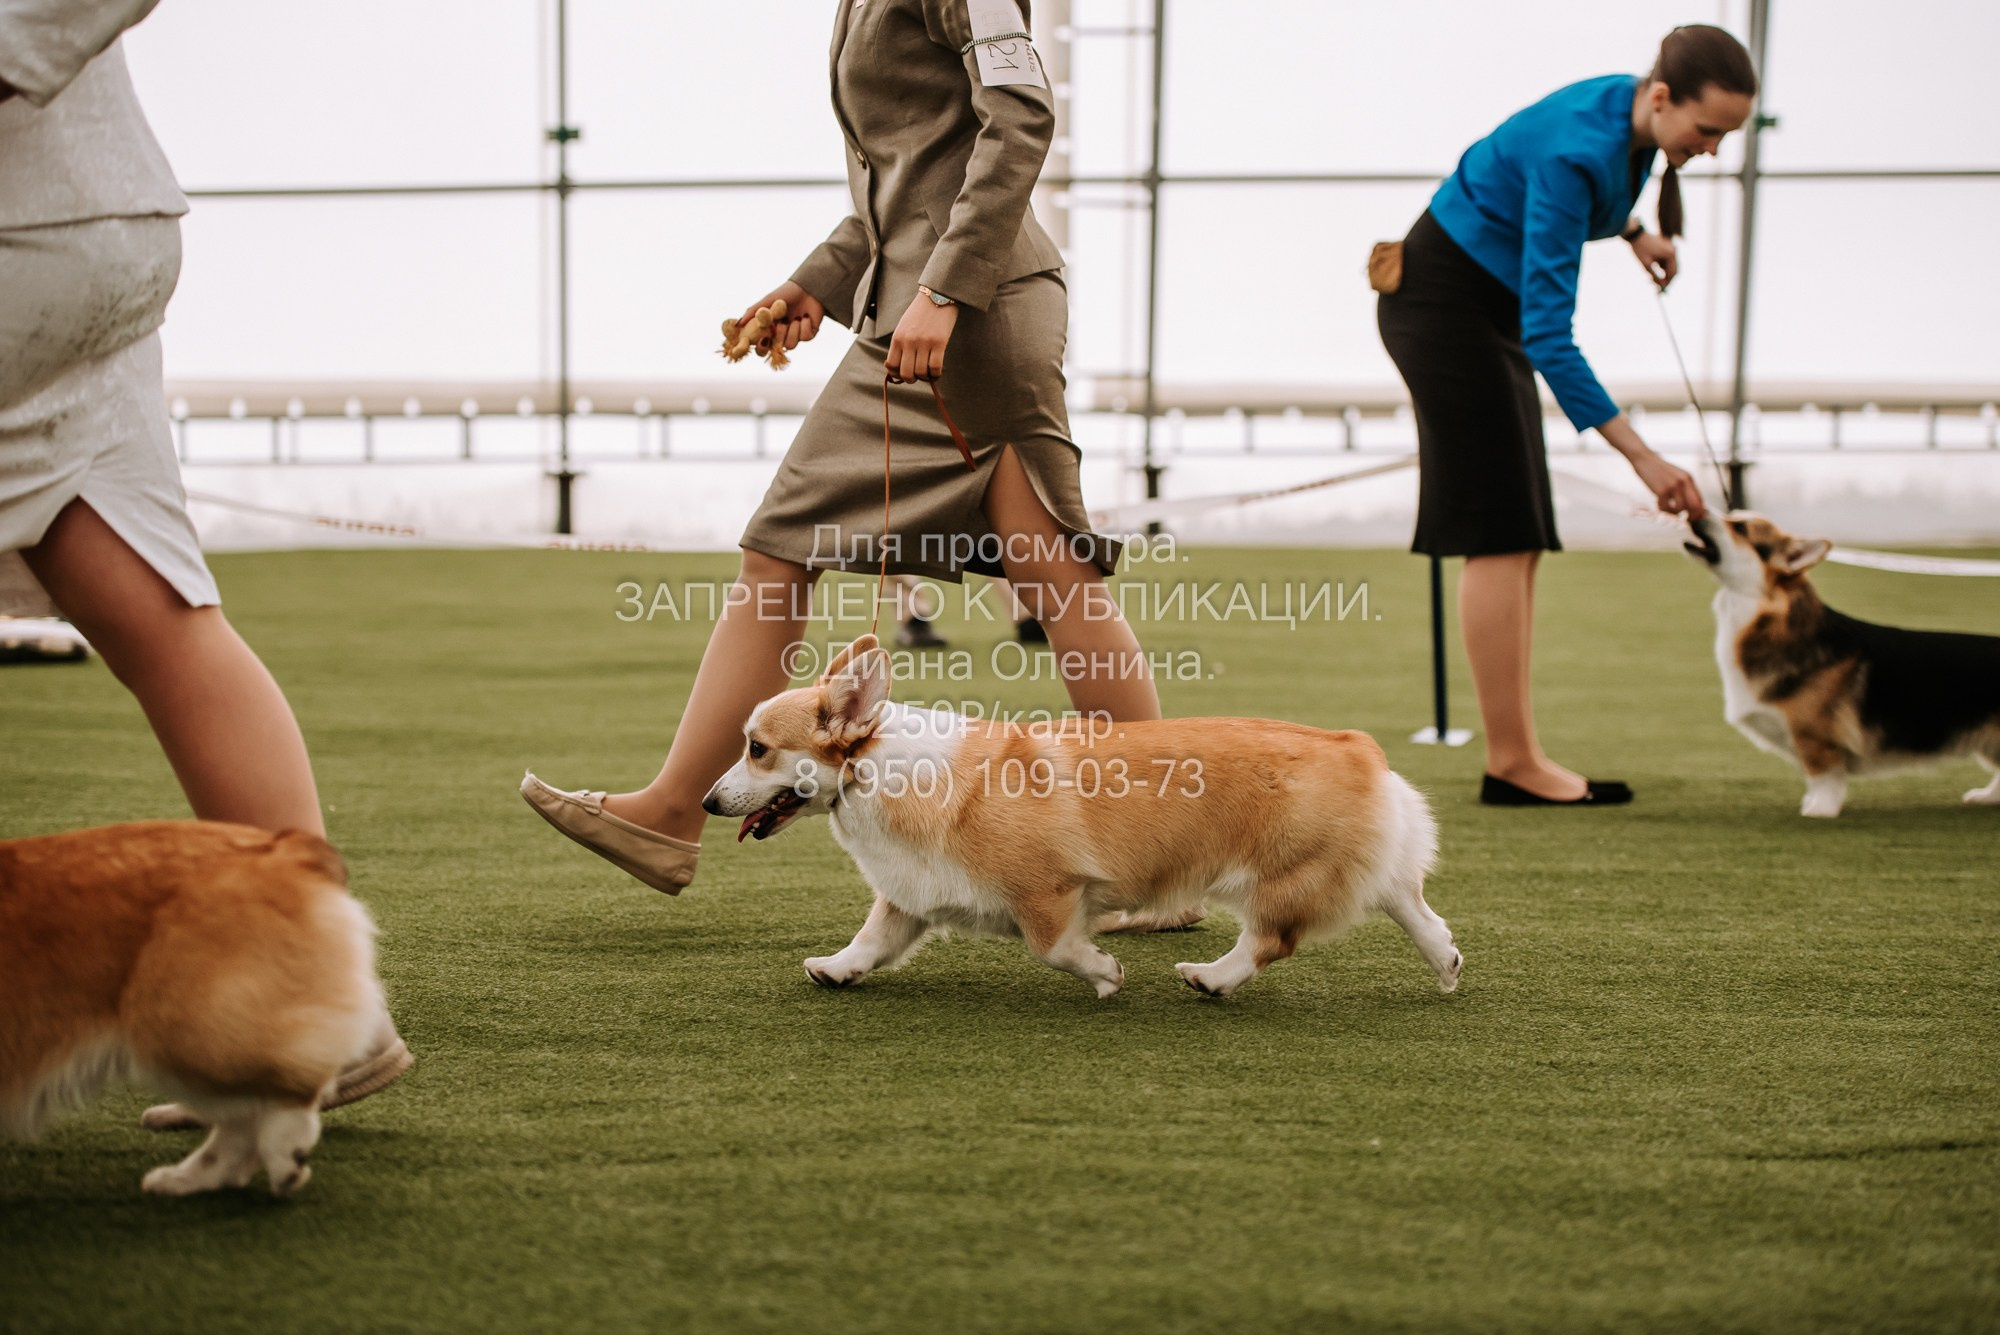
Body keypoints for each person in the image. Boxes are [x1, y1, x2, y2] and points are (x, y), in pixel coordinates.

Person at [522, 0, 1161, 889]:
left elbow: (1021, 116)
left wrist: (944, 290)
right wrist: (814, 285)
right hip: (924, 307)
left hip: (969, 317)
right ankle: (1163, 853)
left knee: (804, 552)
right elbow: (904, 184)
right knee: (1047, 577)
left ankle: (672, 812)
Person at [0, 0, 411, 1122]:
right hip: (99, 223)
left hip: (23, 239)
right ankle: (323, 1010)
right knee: (157, 614)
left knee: (162, 620)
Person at [1377, 24, 1755, 806]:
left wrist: (1637, 231)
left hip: (1488, 307)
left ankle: (1517, 757)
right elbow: (1553, 334)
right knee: (1500, 529)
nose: (1713, 148)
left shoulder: (1631, 112)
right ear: (1662, 98)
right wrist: (1643, 457)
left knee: (1522, 531)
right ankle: (1512, 763)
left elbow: (1580, 200)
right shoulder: (1577, 148)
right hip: (1443, 309)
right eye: (1708, 129)